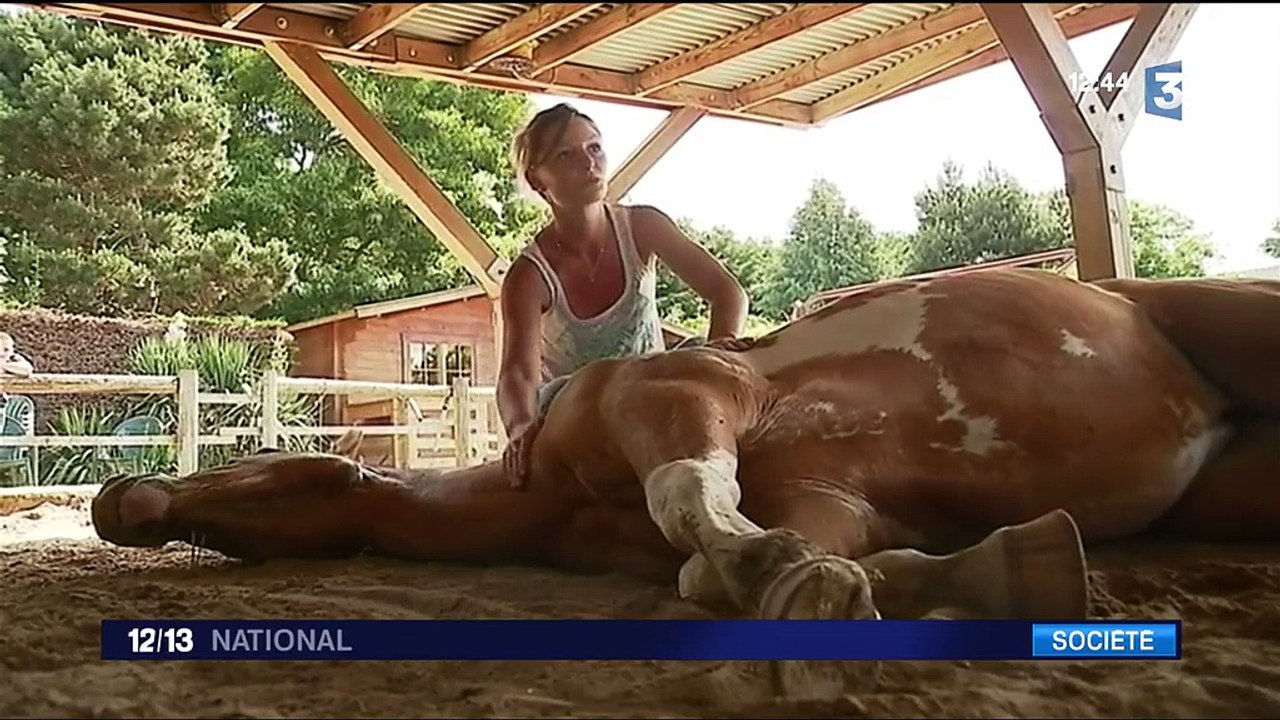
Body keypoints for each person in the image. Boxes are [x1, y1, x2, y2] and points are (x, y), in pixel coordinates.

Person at [498, 102, 751, 489]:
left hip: (652, 397)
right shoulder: (530, 276)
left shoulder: (642, 226)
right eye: (566, 155)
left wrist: (714, 366)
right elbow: (518, 373)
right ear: (537, 180)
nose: (589, 164)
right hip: (579, 421)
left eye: (595, 148)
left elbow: (727, 294)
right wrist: (521, 429)